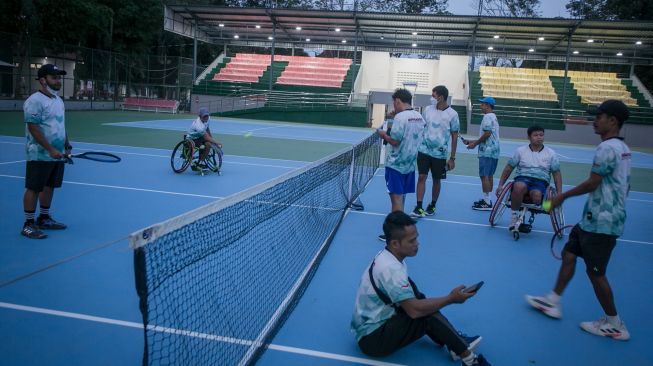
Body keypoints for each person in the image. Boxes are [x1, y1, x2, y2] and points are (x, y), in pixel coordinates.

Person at [526, 100, 632, 341]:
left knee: (596, 274)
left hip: (603, 222)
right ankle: (553, 300)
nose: (595, 120)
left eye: (600, 116)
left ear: (613, 121)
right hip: (593, 218)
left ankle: (615, 323)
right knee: (569, 254)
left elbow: (592, 182)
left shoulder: (607, 148)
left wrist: (560, 197)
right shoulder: (623, 148)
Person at [351, 211, 491, 366]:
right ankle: (469, 359)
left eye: (416, 238)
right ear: (395, 244)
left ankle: (451, 340)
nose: (417, 243)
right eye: (412, 241)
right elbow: (414, 311)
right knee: (424, 314)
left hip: (374, 326)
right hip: (372, 340)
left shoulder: (388, 256)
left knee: (418, 296)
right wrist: (451, 299)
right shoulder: (391, 270)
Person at [21, 64, 71, 239]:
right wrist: (49, 149)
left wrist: (67, 145)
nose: (58, 81)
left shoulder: (58, 100)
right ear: (43, 80)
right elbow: (33, 128)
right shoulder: (34, 101)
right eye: (54, 77)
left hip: (56, 153)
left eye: (59, 77)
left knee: (50, 186)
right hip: (38, 153)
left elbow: (60, 125)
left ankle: (43, 218)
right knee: (34, 187)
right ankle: (28, 224)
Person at [376, 89, 425, 241]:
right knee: (401, 198)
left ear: (398, 101)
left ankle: (394, 234)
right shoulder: (418, 117)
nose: (393, 106)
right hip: (410, 164)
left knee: (395, 200)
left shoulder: (400, 118)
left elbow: (395, 141)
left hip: (395, 164)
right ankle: (400, 229)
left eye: (394, 102)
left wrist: (383, 135)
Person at [495, 125, 563, 230]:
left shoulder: (551, 153)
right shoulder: (520, 151)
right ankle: (514, 217)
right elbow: (508, 168)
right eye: (535, 135)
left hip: (540, 182)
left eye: (541, 135)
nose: (539, 137)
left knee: (537, 198)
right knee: (518, 186)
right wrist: (500, 185)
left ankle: (545, 207)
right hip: (522, 178)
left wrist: (559, 193)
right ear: (529, 137)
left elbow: (557, 174)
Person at [411, 85, 459, 218]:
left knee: (436, 180)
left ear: (441, 97)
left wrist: (452, 158)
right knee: (421, 176)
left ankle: (432, 204)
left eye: (434, 96)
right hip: (424, 150)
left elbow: (455, 136)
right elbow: (421, 127)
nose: (431, 98)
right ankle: (419, 206)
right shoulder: (427, 110)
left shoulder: (453, 115)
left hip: (440, 154)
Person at [462, 97, 500, 211]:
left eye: (482, 104)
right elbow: (488, 135)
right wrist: (472, 141)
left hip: (487, 151)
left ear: (488, 105)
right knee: (489, 175)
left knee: (484, 176)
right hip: (494, 150)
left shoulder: (487, 117)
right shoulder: (493, 117)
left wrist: (475, 144)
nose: (481, 106)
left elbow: (487, 134)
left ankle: (487, 202)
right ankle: (487, 200)